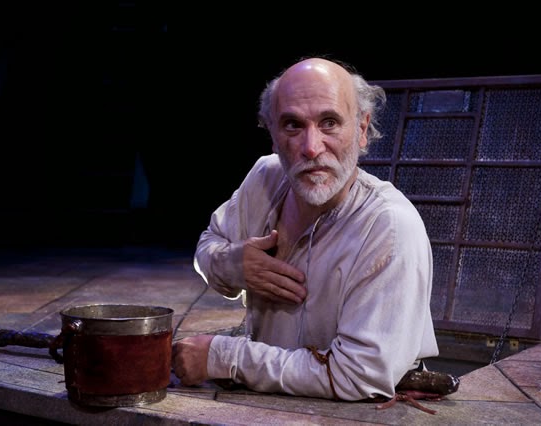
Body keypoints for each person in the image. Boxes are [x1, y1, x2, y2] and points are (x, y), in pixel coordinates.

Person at [172, 56, 439, 401]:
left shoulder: (389, 227)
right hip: (270, 401)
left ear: (361, 129)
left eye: (329, 123)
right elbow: (209, 244)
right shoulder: (266, 178)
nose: (311, 147)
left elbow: (358, 376)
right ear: (272, 133)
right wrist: (235, 265)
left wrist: (224, 357)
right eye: (292, 125)